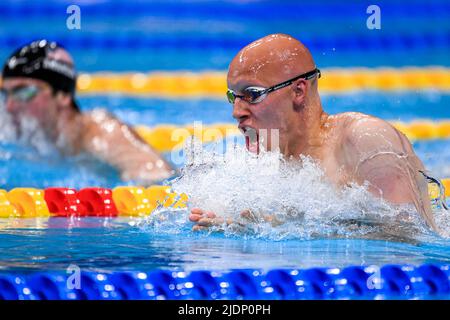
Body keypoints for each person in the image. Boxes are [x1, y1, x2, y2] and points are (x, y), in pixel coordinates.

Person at [189, 33, 437, 232]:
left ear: (298, 91)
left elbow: (405, 234)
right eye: (233, 97)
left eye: (252, 94)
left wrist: (278, 227)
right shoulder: (273, 161)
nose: (236, 111)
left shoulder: (364, 139)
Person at [0, 39, 173, 184]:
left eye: (23, 92)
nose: (10, 106)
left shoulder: (101, 133)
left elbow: (159, 178)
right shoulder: (17, 130)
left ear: (63, 95)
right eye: (5, 94)